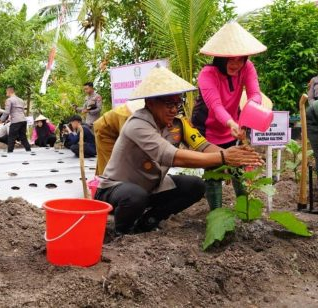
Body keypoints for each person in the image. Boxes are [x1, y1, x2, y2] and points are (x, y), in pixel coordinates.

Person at [96, 66, 263, 234]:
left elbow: (204, 147)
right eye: (169, 104)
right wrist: (223, 157)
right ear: (150, 103)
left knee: (196, 186)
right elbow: (171, 156)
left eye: (177, 103)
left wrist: (238, 156)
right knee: (134, 196)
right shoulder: (137, 124)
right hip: (116, 190)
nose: (174, 109)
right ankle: (123, 232)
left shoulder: (178, 124)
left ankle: (148, 221)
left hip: (151, 187)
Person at [192, 21, 267, 210]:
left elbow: (255, 94)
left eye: (240, 59)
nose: (236, 64)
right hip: (208, 129)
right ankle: (216, 213)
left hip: (236, 126)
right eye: (231, 59)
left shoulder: (247, 68)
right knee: (214, 171)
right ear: (220, 57)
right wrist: (230, 123)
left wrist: (249, 114)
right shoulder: (207, 74)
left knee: (238, 169)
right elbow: (215, 106)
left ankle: (245, 211)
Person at [0, 86, 31, 153]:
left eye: (6, 92)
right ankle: (28, 150)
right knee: (23, 137)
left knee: (11, 137)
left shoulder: (9, 100)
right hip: (23, 120)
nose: (6, 93)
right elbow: (18, 111)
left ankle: (10, 152)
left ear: (9, 91)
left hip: (16, 121)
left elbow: (7, 112)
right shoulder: (21, 100)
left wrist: (1, 120)